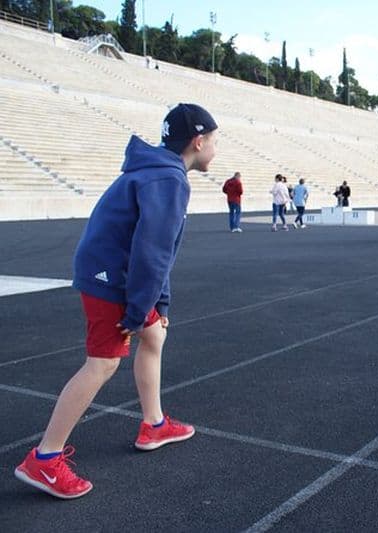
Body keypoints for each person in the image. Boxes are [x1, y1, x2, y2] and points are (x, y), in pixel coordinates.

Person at [14, 103, 218, 499]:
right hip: (109, 276)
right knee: (103, 362)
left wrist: (158, 305)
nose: (215, 149)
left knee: (154, 335)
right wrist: (139, 310)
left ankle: (153, 425)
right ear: (198, 141)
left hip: (113, 269)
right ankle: (44, 459)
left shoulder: (158, 170)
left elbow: (158, 250)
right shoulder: (168, 179)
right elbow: (151, 252)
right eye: (213, 140)